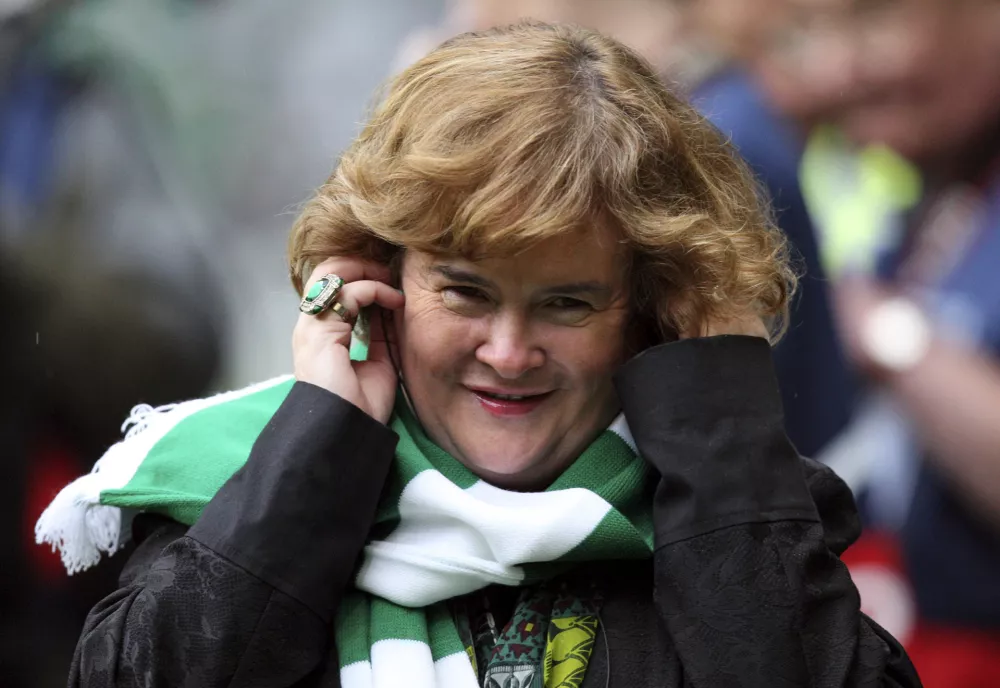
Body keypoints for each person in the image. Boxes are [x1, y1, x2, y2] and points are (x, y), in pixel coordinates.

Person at [38, 22, 921, 687]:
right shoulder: (232, 490)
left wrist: (719, 424)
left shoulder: (740, 507)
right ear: (377, 278)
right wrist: (322, 446)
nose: (508, 352)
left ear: (647, 313)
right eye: (464, 291)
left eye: (566, 303)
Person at [721, 1, 1000, 684]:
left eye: (872, 19)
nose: (837, 68)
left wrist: (886, 335)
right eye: (812, 31)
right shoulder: (936, 182)